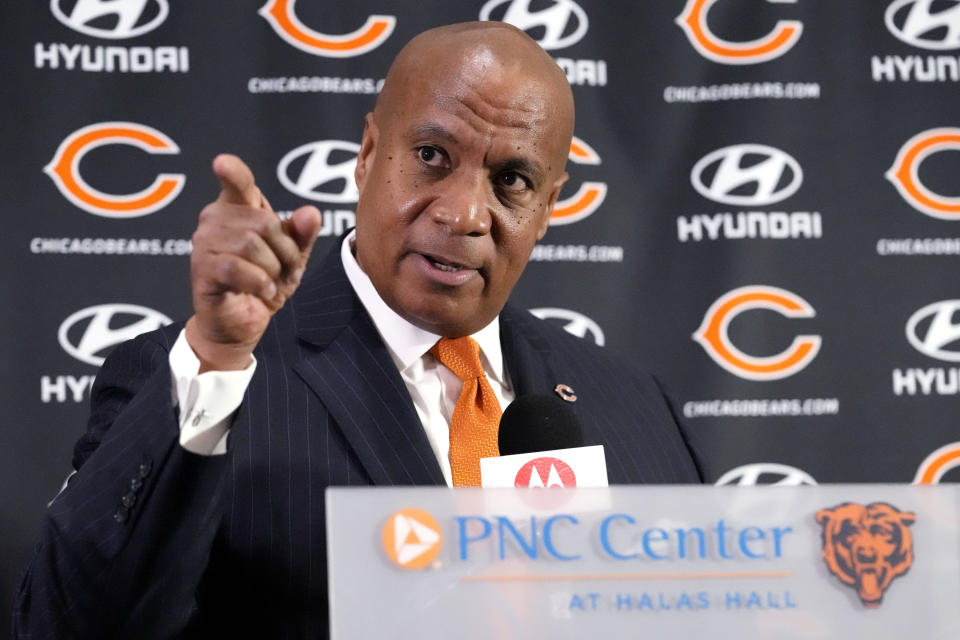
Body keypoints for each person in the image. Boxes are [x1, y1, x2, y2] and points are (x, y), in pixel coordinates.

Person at [14, 21, 702, 637]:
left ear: (549, 206)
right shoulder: (209, 379)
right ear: (369, 153)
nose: (464, 214)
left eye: (513, 180)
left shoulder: (636, 406)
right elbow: (67, 624)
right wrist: (218, 358)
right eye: (432, 155)